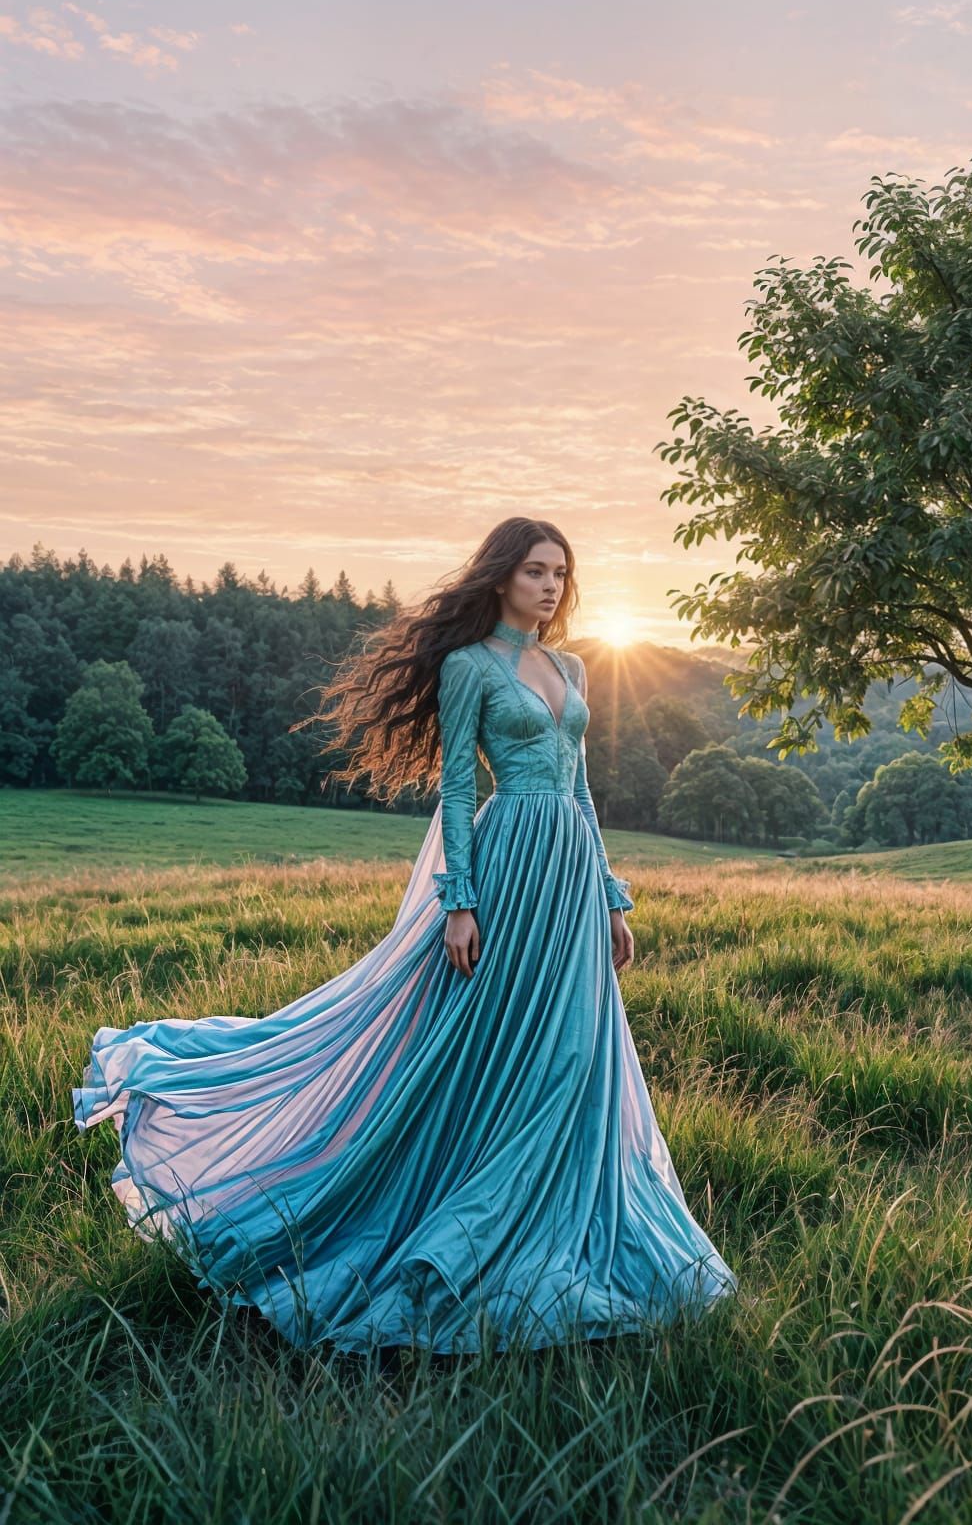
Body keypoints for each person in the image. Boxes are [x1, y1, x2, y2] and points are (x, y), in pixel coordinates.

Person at [72, 517, 738, 1354]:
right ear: (501, 578)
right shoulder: (469, 667)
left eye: (561, 574)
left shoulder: (569, 667)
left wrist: (610, 896)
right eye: (535, 571)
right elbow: (458, 786)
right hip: (504, 870)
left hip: (568, 876)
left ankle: (559, 1208)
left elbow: (582, 790)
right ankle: (444, 1214)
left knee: (574, 1051)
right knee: (477, 1047)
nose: (550, 586)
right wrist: (458, 901)